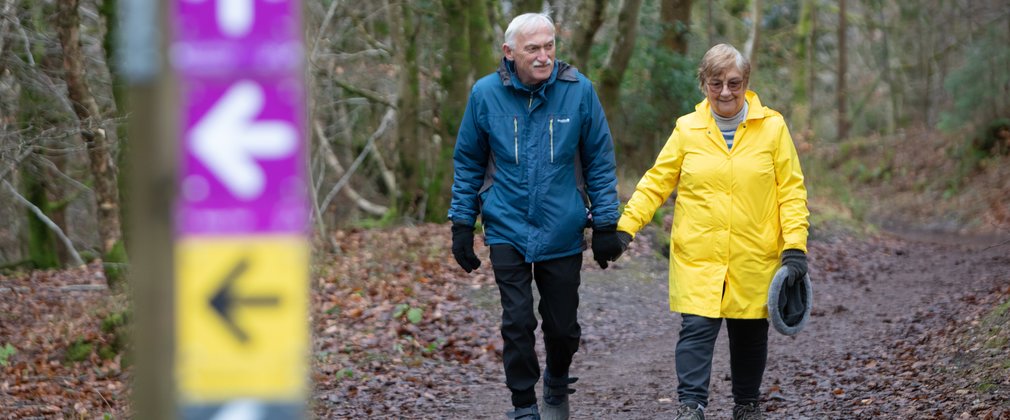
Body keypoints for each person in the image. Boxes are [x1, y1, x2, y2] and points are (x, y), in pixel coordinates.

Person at [615, 44, 810, 420]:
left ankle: (747, 405)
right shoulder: (687, 129)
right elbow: (656, 183)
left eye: (734, 83)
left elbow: (791, 190)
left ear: (746, 82)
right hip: (698, 255)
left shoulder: (772, 127)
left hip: (754, 253)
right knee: (696, 329)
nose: (725, 92)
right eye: (716, 83)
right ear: (703, 83)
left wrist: (795, 246)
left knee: (750, 333)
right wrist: (626, 228)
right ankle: (691, 407)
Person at [447, 12, 625, 420]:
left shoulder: (580, 92)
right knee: (517, 322)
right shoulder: (484, 94)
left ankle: (557, 381)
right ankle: (524, 406)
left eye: (549, 47)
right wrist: (461, 223)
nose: (544, 56)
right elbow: (469, 162)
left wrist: (605, 223)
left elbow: (599, 160)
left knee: (562, 327)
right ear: (509, 53)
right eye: (533, 49)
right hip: (506, 225)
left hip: (562, 224)